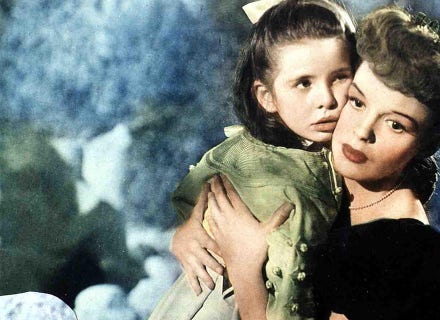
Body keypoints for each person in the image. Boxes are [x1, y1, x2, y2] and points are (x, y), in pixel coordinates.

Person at [205, 5, 440, 320]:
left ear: (425, 144)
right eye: (356, 101)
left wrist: (246, 270)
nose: (362, 131)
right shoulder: (312, 176)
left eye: (395, 124)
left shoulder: (416, 257)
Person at [148, 1, 357, 319]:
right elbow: (191, 191)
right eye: (304, 83)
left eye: (339, 78)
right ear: (267, 98)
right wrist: (190, 229)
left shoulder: (335, 157)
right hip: (217, 302)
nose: (326, 100)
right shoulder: (251, 155)